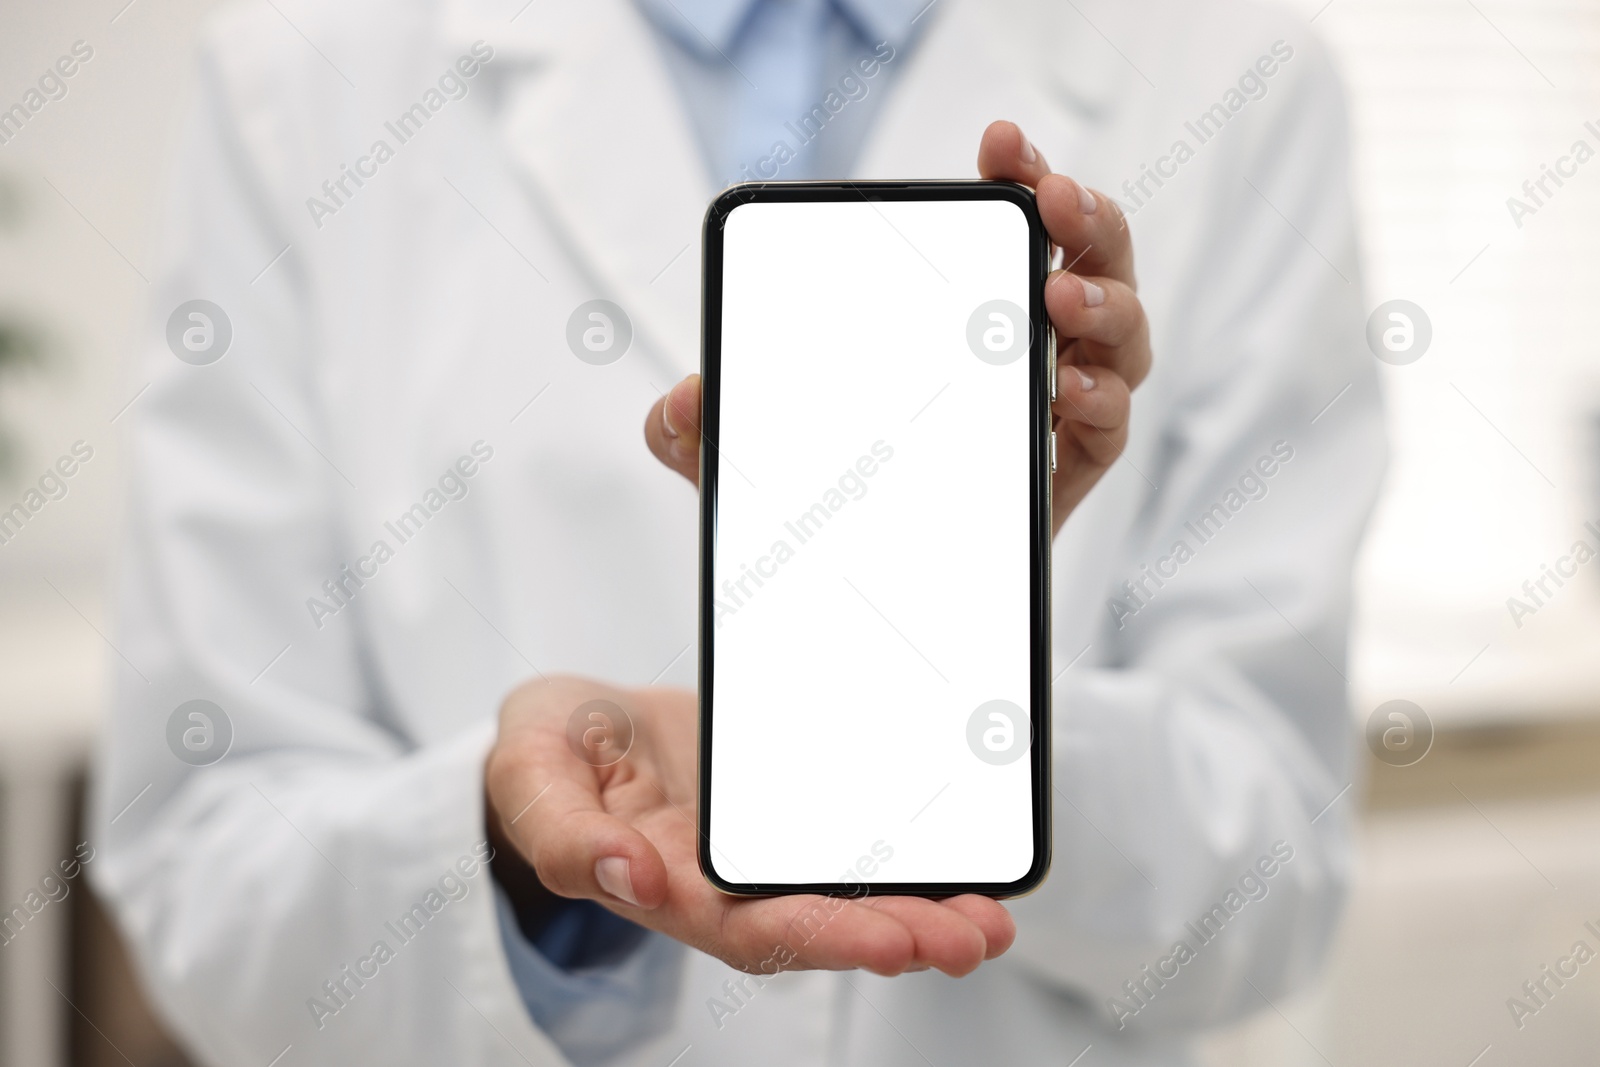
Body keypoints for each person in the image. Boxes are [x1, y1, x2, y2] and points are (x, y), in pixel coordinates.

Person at [91, 0, 1386, 1064]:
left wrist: (949, 724)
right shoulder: (303, 70)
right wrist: (518, 851)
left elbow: (1274, 880)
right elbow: (206, 878)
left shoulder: (1242, 77)